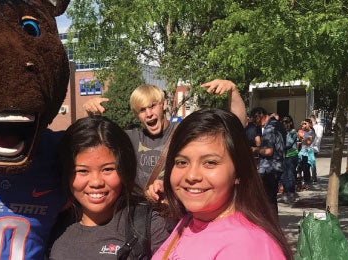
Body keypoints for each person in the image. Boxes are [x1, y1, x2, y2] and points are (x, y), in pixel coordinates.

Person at [151, 108, 292, 259]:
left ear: (238, 172)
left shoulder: (247, 247)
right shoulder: (192, 219)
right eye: (181, 162)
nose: (191, 176)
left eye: (210, 163)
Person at [83, 80, 247, 198]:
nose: (148, 114)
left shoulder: (183, 132)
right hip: (140, 216)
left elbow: (235, 128)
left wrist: (233, 92)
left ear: (164, 104)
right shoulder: (130, 138)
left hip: (174, 212)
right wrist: (90, 114)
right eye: (142, 110)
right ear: (136, 115)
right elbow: (93, 140)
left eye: (152, 106)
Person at [50, 116, 172, 259]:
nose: (96, 182)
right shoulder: (50, 222)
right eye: (82, 171)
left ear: (125, 168)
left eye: (108, 169)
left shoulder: (151, 225)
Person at [250, 107, 284, 219]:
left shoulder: (269, 128)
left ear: (260, 115)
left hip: (269, 169)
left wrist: (254, 150)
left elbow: (269, 151)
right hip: (277, 166)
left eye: (256, 121)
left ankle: (272, 226)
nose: (257, 125)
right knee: (271, 199)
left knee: (268, 200)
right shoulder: (277, 124)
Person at [281, 115, 299, 203]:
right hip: (284, 156)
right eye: (283, 122)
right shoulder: (282, 132)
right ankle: (285, 192)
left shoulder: (293, 132)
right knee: (284, 175)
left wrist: (278, 146)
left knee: (290, 175)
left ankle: (291, 193)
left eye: (286, 122)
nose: (285, 124)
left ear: (291, 123)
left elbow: (288, 144)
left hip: (292, 156)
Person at [298, 119, 316, 187]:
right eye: (303, 124)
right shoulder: (305, 132)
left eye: (305, 124)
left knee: (306, 168)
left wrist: (301, 138)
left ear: (309, 124)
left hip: (308, 152)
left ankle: (307, 182)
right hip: (303, 151)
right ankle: (302, 182)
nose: (303, 125)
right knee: (300, 167)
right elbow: (304, 141)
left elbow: (308, 142)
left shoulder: (311, 132)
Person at [310, 114, 323, 182]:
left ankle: (314, 177)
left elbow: (318, 137)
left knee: (312, 162)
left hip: (313, 148)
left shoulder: (319, 127)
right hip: (309, 147)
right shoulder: (311, 127)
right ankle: (310, 176)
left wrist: (313, 145)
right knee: (308, 163)